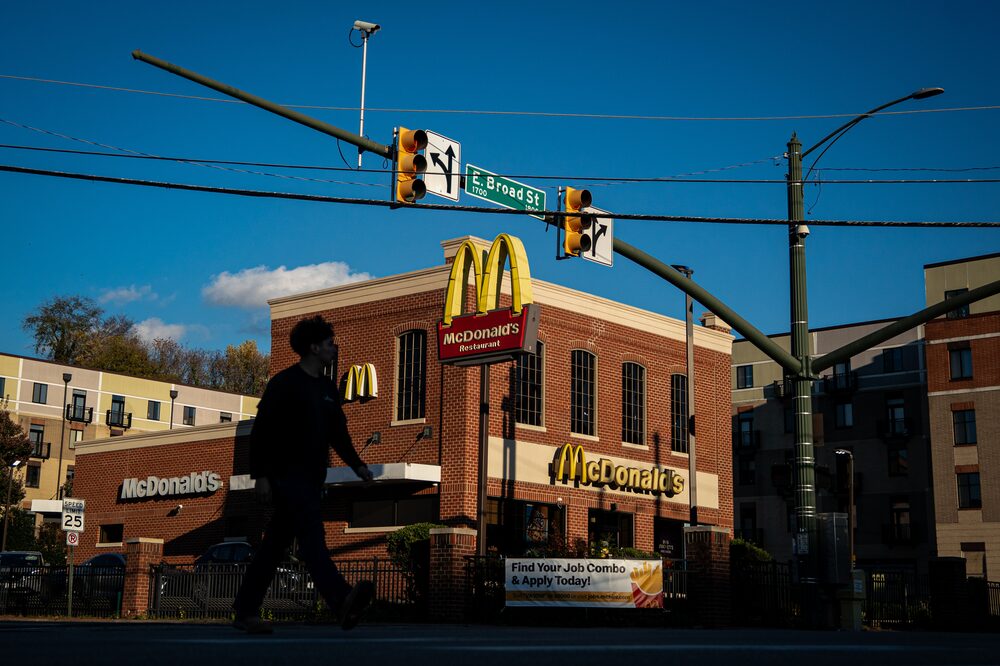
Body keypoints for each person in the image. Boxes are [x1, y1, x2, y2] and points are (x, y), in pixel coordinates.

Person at [233, 315, 375, 634]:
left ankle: (245, 610)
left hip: (312, 478)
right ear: (313, 347)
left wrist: (359, 466)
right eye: (328, 343)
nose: (333, 348)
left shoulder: (326, 388)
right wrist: (262, 476)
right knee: (313, 540)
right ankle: (341, 600)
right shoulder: (284, 384)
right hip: (286, 477)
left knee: (273, 548)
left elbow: (339, 434)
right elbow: (262, 433)